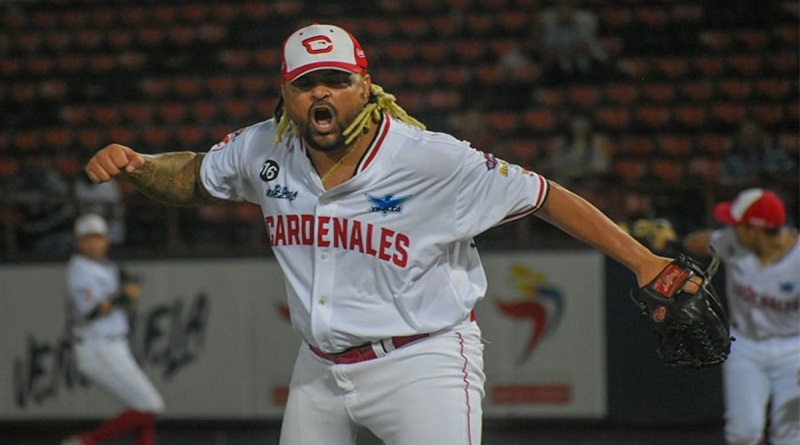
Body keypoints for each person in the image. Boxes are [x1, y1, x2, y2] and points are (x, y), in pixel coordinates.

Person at [84, 23, 698, 445]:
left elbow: (543, 195)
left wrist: (645, 262)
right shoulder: (262, 147)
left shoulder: (429, 158)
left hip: (421, 360)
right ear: (285, 93)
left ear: (365, 85)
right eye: (305, 83)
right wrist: (139, 166)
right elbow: (196, 176)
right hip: (318, 368)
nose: (321, 93)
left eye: (336, 79)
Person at [683, 188, 799, 445]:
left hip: (794, 349)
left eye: (737, 224)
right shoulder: (732, 243)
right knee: (744, 433)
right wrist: (672, 239)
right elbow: (698, 242)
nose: (732, 229)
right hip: (745, 345)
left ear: (754, 229)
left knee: (791, 435)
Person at [62, 214, 164, 445]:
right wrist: (122, 296)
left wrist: (124, 291)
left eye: (97, 237)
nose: (93, 243)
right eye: (87, 238)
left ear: (106, 240)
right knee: (150, 404)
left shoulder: (107, 266)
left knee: (142, 406)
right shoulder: (80, 268)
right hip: (97, 345)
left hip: (113, 344)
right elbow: (92, 311)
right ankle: (85, 441)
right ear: (78, 242)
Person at [534, 0, 610, 86]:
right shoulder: (550, 24)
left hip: (585, 60)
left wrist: (564, 52)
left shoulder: (582, 21)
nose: (564, 13)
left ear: (573, 11)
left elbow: (583, 47)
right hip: (560, 62)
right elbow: (548, 51)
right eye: (561, 10)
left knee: (592, 65)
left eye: (567, 10)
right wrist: (566, 52)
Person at [719, 119, 798, 186]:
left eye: (753, 134)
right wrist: (747, 181)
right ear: (740, 137)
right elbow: (724, 184)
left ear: (761, 135)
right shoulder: (732, 160)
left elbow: (795, 177)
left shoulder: (778, 155)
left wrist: (775, 176)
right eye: (746, 135)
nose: (750, 138)